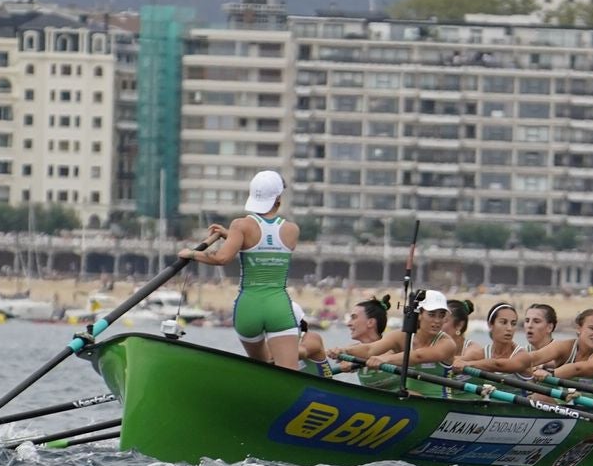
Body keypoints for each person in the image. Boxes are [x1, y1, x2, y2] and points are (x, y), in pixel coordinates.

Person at [177, 169, 299, 368]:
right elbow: (266, 244)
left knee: (263, 367)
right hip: (279, 306)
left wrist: (192, 254)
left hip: (248, 307)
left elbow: (222, 258)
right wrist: (232, 236)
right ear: (278, 199)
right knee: (290, 374)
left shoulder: (240, 226)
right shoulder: (292, 230)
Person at [329, 288, 457, 396]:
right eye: (432, 314)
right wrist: (344, 351)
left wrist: (386, 360)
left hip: (438, 402)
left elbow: (418, 356)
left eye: (441, 315)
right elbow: (370, 349)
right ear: (419, 314)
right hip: (409, 399)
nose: (437, 321)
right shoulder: (401, 336)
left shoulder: (447, 343)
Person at [525, 307, 593, 382]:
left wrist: (550, 374)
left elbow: (577, 369)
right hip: (562, 400)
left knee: (540, 397)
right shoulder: (565, 346)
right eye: (592, 328)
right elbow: (536, 357)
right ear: (578, 329)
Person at [457, 301, 524, 371]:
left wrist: (468, 364)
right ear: (490, 325)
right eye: (503, 322)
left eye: (513, 324)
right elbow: (458, 360)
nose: (509, 328)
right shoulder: (481, 354)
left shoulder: (523, 356)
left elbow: (498, 365)